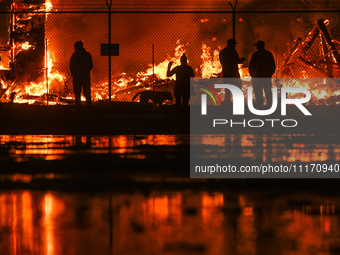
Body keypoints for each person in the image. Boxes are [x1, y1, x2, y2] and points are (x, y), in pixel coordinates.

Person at [249, 40, 276, 108]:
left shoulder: (255, 55)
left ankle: (260, 106)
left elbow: (251, 66)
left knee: (258, 93)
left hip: (257, 78)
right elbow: (273, 66)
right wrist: (269, 74)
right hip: (265, 77)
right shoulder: (268, 54)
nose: (257, 47)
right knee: (268, 92)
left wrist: (253, 75)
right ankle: (270, 106)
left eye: (258, 46)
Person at [219, 38, 245, 105]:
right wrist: (242, 60)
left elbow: (222, 62)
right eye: (234, 44)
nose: (235, 46)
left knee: (227, 88)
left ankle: (227, 101)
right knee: (237, 87)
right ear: (231, 44)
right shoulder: (233, 52)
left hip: (226, 72)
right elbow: (237, 61)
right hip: (233, 73)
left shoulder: (222, 52)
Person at [70, 41, 93, 109]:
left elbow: (71, 66)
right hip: (85, 76)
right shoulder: (87, 55)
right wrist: (86, 71)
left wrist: (73, 73)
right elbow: (91, 65)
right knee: (87, 93)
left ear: (76, 47)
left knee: (77, 93)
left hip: (77, 77)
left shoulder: (74, 55)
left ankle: (78, 107)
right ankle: (88, 107)